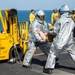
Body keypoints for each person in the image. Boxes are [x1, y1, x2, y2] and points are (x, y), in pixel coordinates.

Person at [43, 5, 75, 74]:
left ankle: (49, 68)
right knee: (73, 54)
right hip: (69, 41)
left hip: (60, 41)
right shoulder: (72, 21)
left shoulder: (59, 20)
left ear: (62, 12)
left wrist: (49, 32)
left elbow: (55, 32)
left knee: (52, 53)